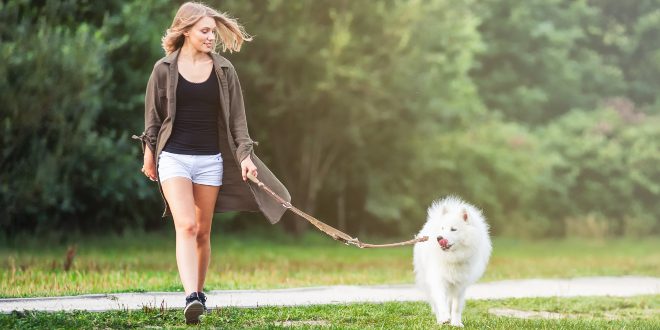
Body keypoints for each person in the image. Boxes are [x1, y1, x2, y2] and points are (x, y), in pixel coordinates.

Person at [135, 2, 290, 324]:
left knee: (203, 232)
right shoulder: (163, 69)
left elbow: (237, 121)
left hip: (210, 160)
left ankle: (199, 295)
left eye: (213, 32)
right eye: (205, 31)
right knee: (187, 226)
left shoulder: (223, 70)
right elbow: (152, 118)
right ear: (186, 30)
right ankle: (191, 295)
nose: (211, 37)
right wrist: (149, 153)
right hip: (174, 158)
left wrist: (245, 156)